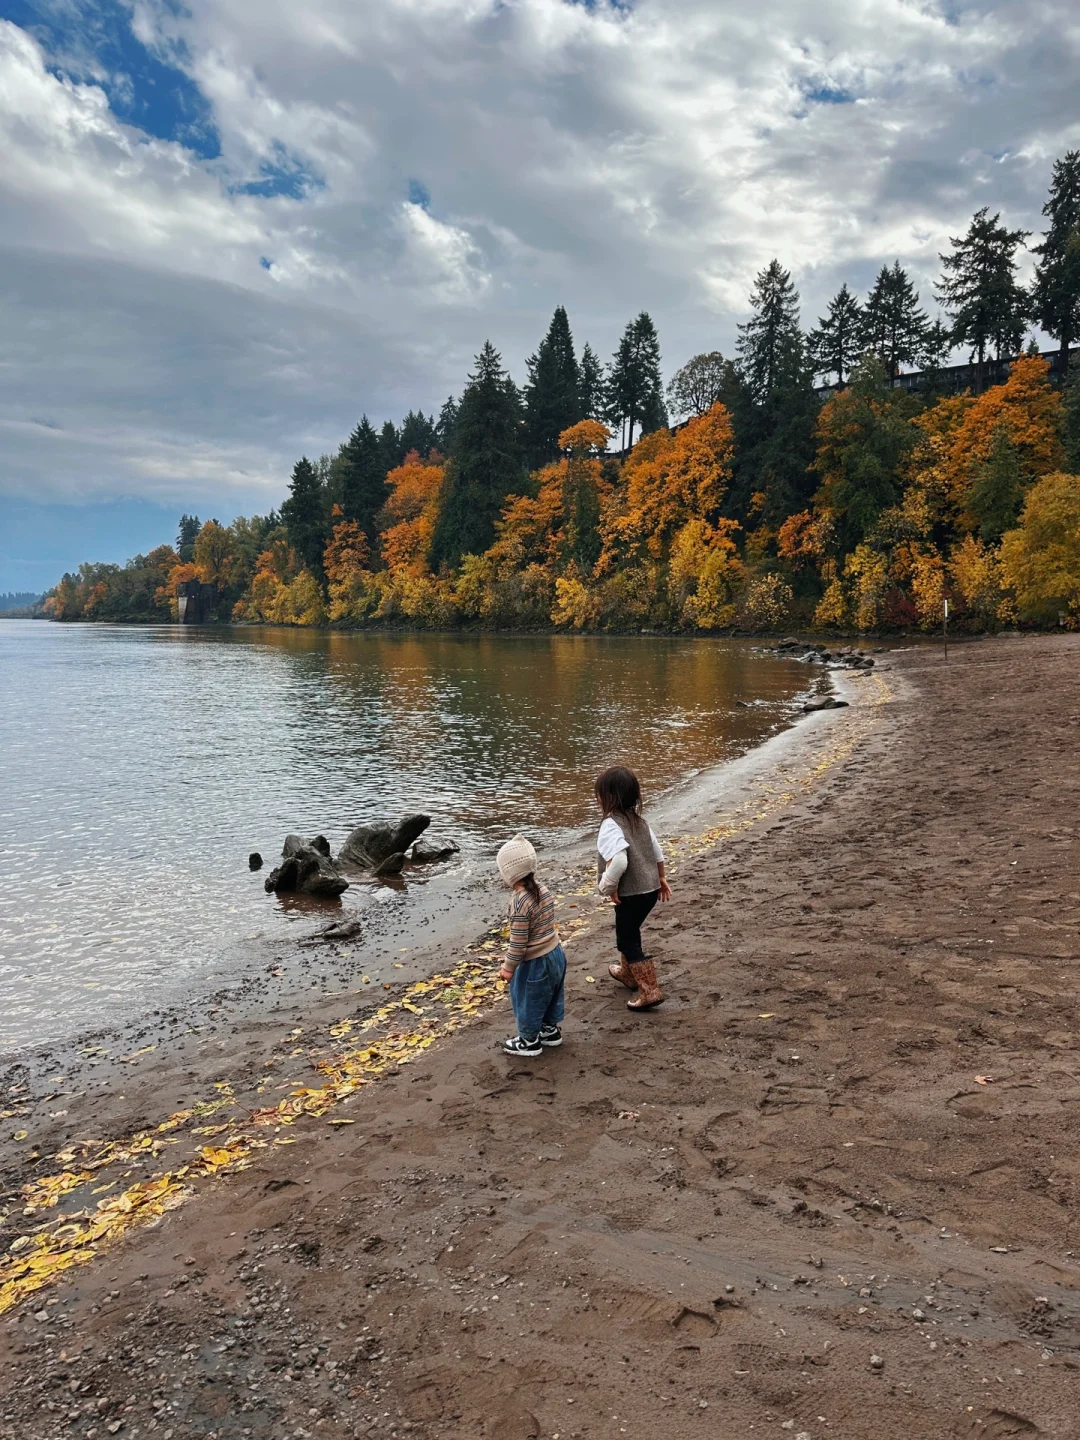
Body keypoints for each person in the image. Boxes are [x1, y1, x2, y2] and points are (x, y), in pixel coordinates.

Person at [595, 766, 671, 1010]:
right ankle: (628, 975)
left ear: (608, 798)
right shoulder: (640, 821)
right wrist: (661, 878)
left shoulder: (610, 825)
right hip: (649, 889)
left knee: (628, 941)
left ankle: (650, 990)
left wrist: (607, 886)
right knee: (630, 931)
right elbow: (656, 852)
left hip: (631, 893)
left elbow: (619, 861)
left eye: (599, 794)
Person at [496, 834, 567, 1057]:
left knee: (528, 999)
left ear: (509, 873)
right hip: (555, 953)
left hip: (535, 961)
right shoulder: (543, 890)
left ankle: (529, 1041)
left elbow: (518, 943)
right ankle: (549, 1030)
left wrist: (508, 968)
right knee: (552, 994)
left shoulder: (519, 902)